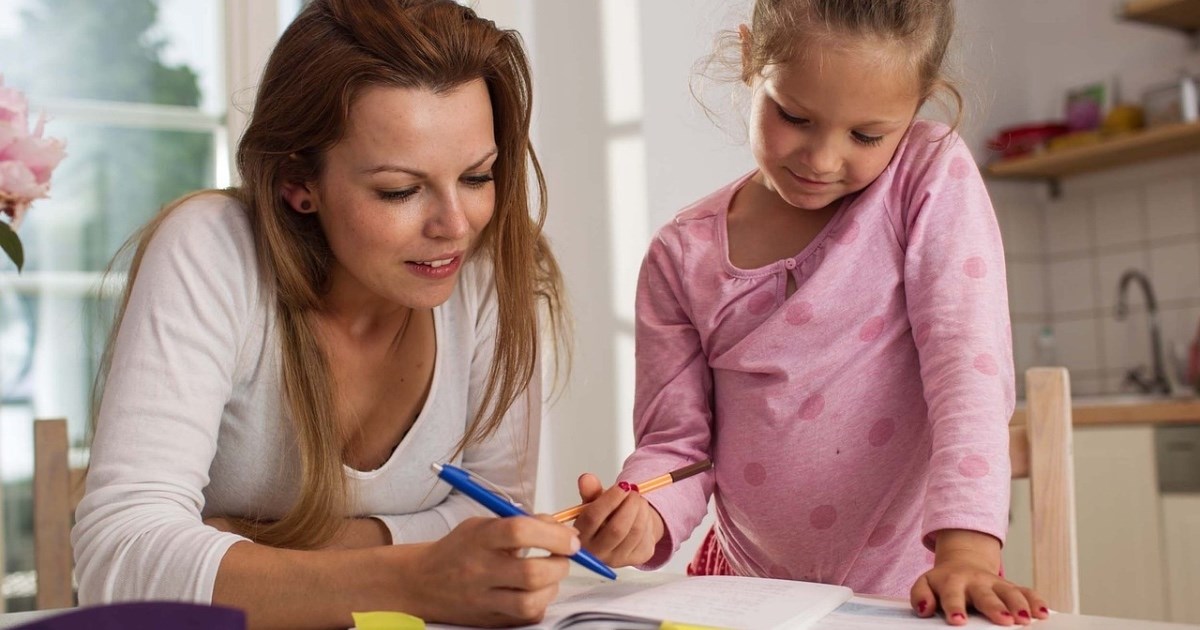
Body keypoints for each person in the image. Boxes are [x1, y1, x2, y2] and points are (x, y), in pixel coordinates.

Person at [71, 1, 577, 627]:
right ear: (297, 183)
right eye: (400, 190)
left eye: (477, 176)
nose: (456, 226)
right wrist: (410, 576)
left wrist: (259, 545)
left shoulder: (490, 269)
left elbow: (495, 519)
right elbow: (117, 564)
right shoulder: (213, 250)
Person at [571, 1, 1049, 626]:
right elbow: (677, 446)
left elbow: (968, 371)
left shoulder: (926, 176)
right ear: (749, 59)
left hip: (923, 589)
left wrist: (968, 551)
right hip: (743, 595)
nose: (822, 160)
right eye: (794, 116)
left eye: (866, 135)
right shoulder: (680, 253)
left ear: (919, 102)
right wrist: (643, 512)